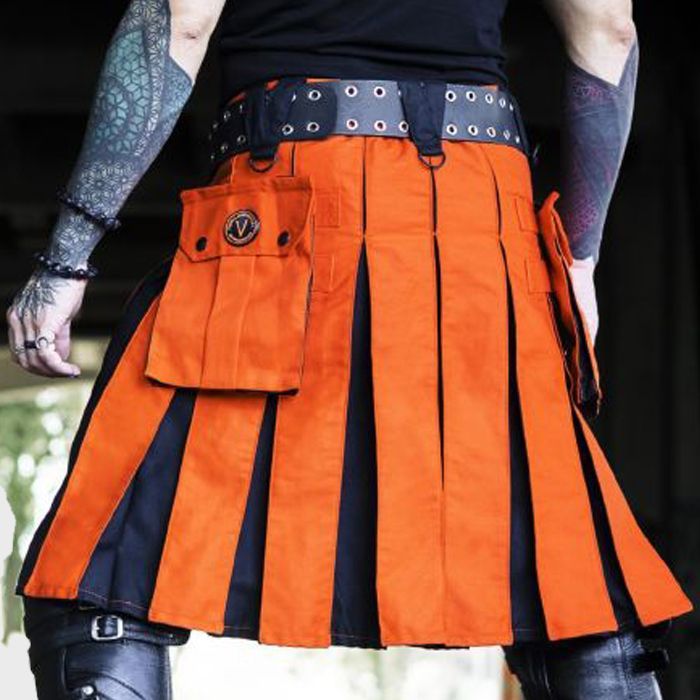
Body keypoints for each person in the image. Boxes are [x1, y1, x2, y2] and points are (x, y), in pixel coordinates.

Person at [5, 0, 693, 698]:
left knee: (98, 570)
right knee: (572, 592)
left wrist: (65, 260)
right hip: (479, 224)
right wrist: (580, 256)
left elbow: (176, 22)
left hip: (281, 205)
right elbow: (608, 31)